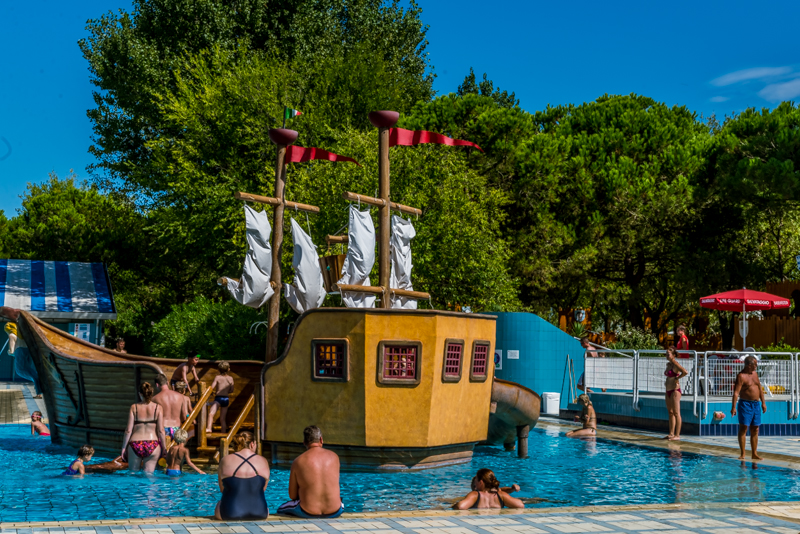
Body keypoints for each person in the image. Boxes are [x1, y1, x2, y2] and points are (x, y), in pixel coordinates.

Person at [277, 426, 344, 518]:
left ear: (304, 442)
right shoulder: (334, 457)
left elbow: (292, 495)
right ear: (321, 439)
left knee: (280, 509)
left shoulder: (298, 461)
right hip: (335, 510)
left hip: (308, 512)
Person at [215, 431, 270, 520]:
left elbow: (222, 489)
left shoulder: (225, 460)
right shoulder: (263, 461)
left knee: (219, 504)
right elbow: (262, 489)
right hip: (260, 513)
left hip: (230, 513)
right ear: (252, 444)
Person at [121, 382, 167, 473]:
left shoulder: (134, 407)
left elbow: (128, 430)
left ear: (140, 394)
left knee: (133, 475)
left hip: (135, 444)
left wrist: (123, 448)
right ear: (151, 393)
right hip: (152, 443)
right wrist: (164, 448)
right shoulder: (158, 408)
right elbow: (161, 430)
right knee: (149, 476)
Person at [732, 355, 767, 460]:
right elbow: (736, 393)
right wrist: (733, 407)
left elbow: (759, 389)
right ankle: (743, 453)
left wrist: (763, 403)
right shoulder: (741, 376)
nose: (756, 366)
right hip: (745, 404)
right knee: (743, 428)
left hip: (756, 405)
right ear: (749, 365)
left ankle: (754, 453)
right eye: (755, 364)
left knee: (755, 429)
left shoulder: (755, 374)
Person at [452, 468, 525, 509]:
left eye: (476, 480)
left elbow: (460, 506)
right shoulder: (501, 495)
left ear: (480, 482)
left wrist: (453, 505)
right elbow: (520, 505)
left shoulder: (475, 495)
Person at [153, 373, 192, 441]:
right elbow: (184, 417)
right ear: (167, 383)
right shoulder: (181, 397)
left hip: (163, 429)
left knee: (164, 451)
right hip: (176, 429)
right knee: (175, 450)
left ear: (157, 385)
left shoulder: (155, 399)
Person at [664, 346, 688, 441]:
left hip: (675, 391)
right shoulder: (668, 365)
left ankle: (677, 435)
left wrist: (677, 378)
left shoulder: (675, 364)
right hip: (668, 390)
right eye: (666, 354)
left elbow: (685, 372)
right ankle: (671, 433)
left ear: (673, 355)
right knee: (670, 412)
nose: (666, 356)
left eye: (668, 354)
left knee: (677, 413)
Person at [207, 361, 235, 434]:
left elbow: (212, 387)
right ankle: (223, 433)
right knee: (222, 419)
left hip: (218, 398)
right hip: (226, 399)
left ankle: (209, 428)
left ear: (219, 370)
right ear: (228, 369)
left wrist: (213, 392)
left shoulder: (218, 377)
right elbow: (231, 390)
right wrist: (225, 392)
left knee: (211, 414)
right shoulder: (231, 378)